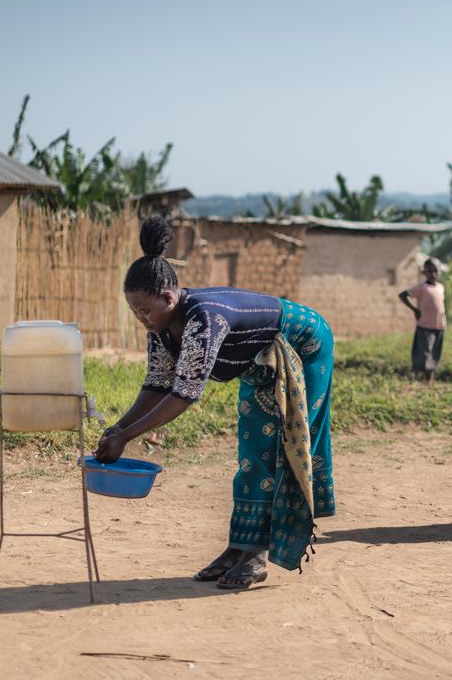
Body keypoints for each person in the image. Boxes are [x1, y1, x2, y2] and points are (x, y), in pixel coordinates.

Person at [94, 217, 336, 590]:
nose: (141, 319)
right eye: (135, 312)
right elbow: (158, 385)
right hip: (260, 363)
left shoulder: (204, 318)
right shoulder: (161, 328)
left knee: (274, 447)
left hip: (302, 346)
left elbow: (185, 394)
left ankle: (256, 555)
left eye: (145, 311)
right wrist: (120, 426)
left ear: (169, 297)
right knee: (250, 450)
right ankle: (239, 547)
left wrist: (127, 437)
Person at [399, 258, 447, 382]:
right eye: (430, 271)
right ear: (424, 273)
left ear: (440, 272)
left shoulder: (441, 287)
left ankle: (429, 380)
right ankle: (418, 378)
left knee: (435, 353)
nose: (433, 274)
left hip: (439, 325)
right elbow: (403, 295)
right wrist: (415, 310)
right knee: (424, 353)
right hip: (425, 325)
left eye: (436, 271)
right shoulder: (421, 287)